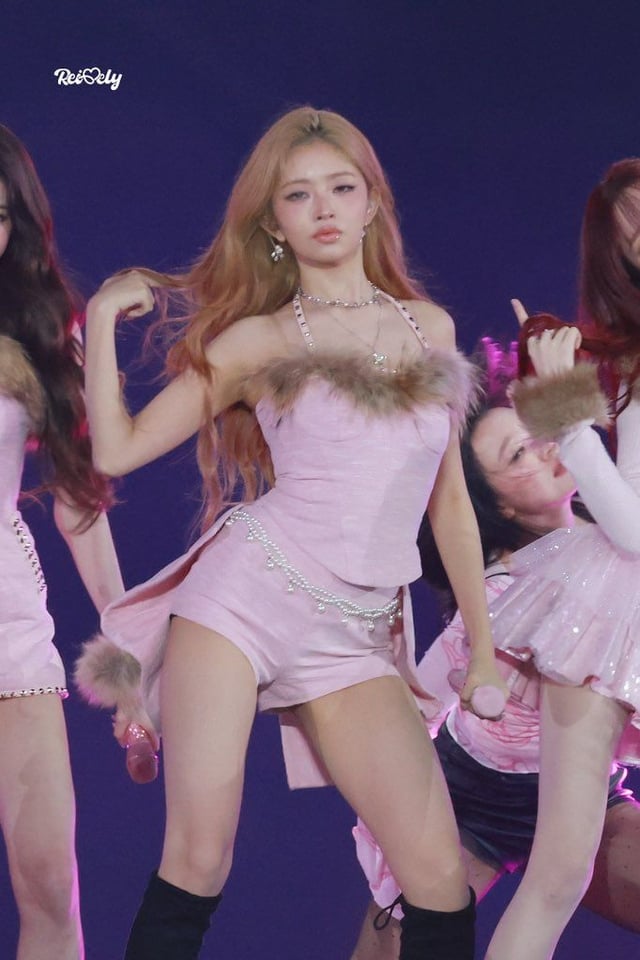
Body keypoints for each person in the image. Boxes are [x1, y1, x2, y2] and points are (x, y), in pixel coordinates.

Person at [74, 106, 507, 960]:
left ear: (372, 202)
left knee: (437, 880)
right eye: (299, 196)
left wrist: (484, 651)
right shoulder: (258, 341)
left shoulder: (432, 330)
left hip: (355, 633)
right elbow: (117, 452)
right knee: (200, 859)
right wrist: (97, 323)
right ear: (274, 225)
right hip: (244, 600)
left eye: (341, 188)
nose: (324, 209)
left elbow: (449, 505)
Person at [349, 345, 640, 959]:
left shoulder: (619, 557)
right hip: (469, 802)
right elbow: (423, 696)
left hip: (578, 795)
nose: (547, 449)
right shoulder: (497, 596)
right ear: (499, 504)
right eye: (518, 454)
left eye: (542, 434)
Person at [476, 159, 640, 960]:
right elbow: (633, 528)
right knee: (559, 875)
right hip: (613, 613)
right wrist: (565, 409)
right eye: (632, 230)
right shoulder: (632, 359)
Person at [0, 124, 124, 959]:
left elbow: (82, 498)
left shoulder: (41, 328)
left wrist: (127, 633)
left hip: (7, 618)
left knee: (50, 885)